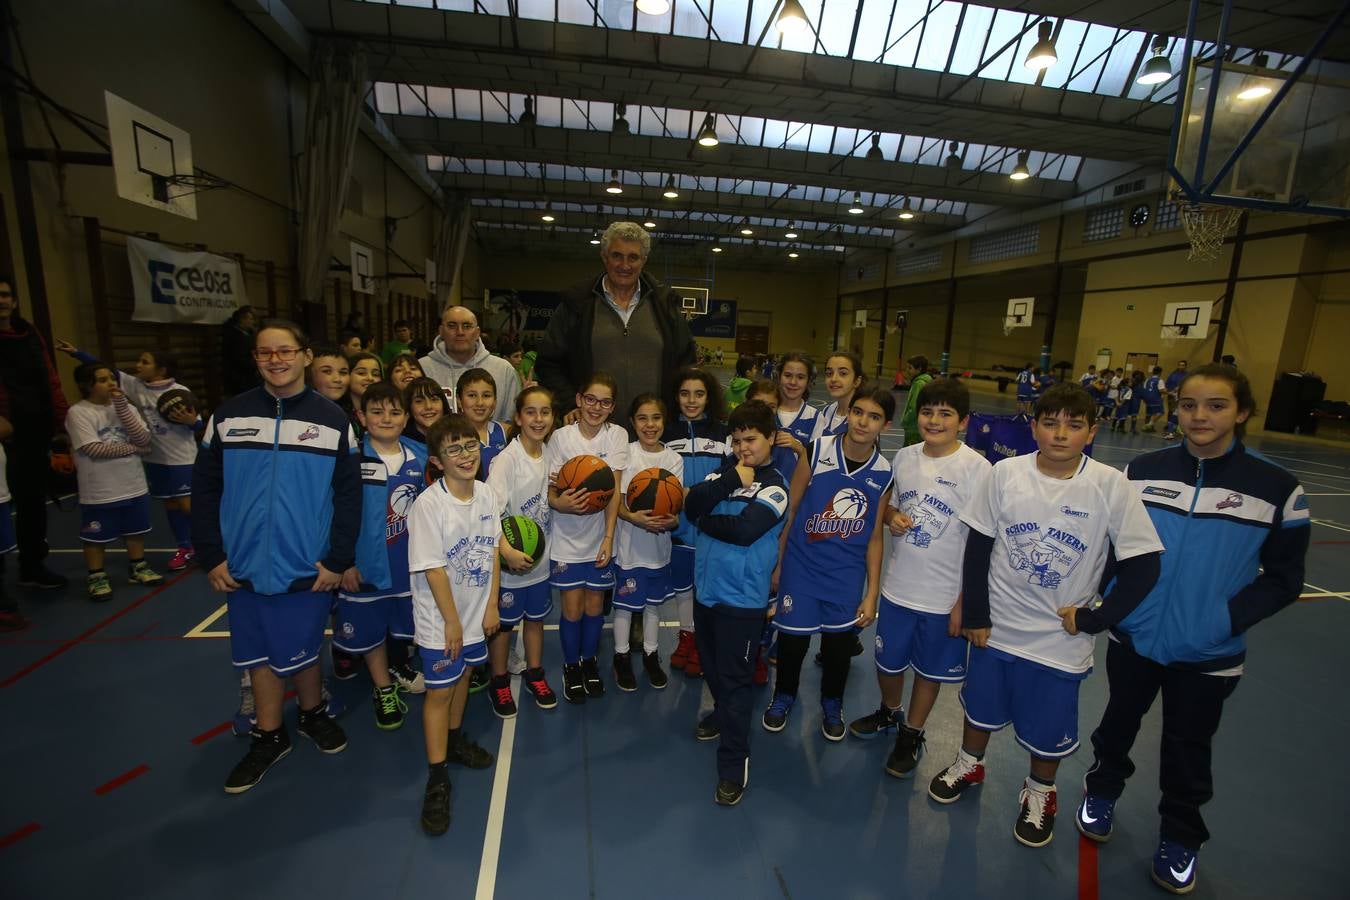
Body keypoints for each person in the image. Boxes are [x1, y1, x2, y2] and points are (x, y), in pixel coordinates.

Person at [1075, 364, 1309, 894]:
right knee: (1116, 725)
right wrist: (1109, 605)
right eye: (1188, 405)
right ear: (1176, 409)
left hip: (1208, 652)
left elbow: (1284, 579)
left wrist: (1223, 621)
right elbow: (1115, 548)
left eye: (1216, 405)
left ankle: (1181, 835)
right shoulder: (1142, 470)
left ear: (1242, 412)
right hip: (1133, 636)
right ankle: (1101, 791)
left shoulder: (1276, 487)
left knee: (1187, 747)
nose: (1199, 416)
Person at [927, 383, 1163, 849]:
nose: (1060, 435)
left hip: (1060, 638)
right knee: (979, 707)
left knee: (1048, 729)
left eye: (1074, 426)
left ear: (1091, 431)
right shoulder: (1004, 473)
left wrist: (1097, 618)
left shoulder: (1111, 485)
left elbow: (1144, 563)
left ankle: (1040, 793)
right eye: (1050, 423)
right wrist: (976, 612)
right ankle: (970, 764)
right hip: (996, 627)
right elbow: (979, 546)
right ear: (1033, 426)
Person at [192, 319, 361, 794]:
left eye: (285, 350)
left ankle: (311, 714)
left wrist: (336, 558)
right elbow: (204, 490)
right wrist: (212, 555)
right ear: (256, 359)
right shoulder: (227, 417)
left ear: (305, 355)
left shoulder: (333, 421)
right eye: (266, 353)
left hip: (306, 564)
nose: (276, 360)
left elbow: (349, 497)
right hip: (243, 566)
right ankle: (270, 735)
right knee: (259, 655)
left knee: (304, 645)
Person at [846, 379, 991, 783]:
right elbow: (888, 505)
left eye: (945, 414)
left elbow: (982, 543)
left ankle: (913, 731)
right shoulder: (905, 457)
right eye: (928, 412)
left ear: (962, 422)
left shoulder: (978, 470)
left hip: (944, 597)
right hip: (898, 587)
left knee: (929, 672)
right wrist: (892, 516)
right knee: (887, 662)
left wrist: (966, 601)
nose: (934, 420)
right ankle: (890, 711)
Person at [765, 385, 894, 741]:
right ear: (848, 413)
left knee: (838, 649)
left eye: (874, 416)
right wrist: (777, 560)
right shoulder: (818, 449)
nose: (863, 422)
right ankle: (784, 696)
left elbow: (875, 537)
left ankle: (832, 703)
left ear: (885, 424)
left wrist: (871, 594)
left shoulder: (883, 472)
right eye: (858, 412)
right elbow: (790, 506)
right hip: (802, 566)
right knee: (792, 642)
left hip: (845, 574)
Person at [685, 400, 790, 806]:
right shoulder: (723, 472)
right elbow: (690, 504)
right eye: (738, 439)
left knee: (735, 681)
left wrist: (706, 515)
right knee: (712, 669)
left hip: (742, 601)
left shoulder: (775, 486)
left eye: (752, 440)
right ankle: (722, 714)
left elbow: (745, 531)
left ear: (770, 440)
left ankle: (734, 764)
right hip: (706, 590)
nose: (744, 447)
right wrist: (727, 483)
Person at [55, 343, 201, 572]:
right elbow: (107, 371)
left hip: (182, 458)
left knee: (189, 506)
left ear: (161, 369)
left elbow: (198, 423)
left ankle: (211, 545)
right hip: (155, 461)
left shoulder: (179, 391)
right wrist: (77, 354)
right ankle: (185, 547)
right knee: (171, 505)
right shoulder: (135, 386)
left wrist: (191, 422)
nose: (138, 365)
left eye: (145, 361)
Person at [333, 381, 428, 732]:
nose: (386, 418)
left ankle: (400, 669)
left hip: (410, 567)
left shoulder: (421, 455)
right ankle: (383, 689)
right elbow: (333, 514)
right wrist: (342, 561)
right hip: (365, 567)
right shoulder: (350, 460)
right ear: (361, 416)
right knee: (371, 633)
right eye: (377, 411)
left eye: (394, 411)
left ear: (406, 417)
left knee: (405, 626)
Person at [534, 222, 696, 420]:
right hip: (592, 433)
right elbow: (548, 363)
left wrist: (672, 411)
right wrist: (569, 403)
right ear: (604, 257)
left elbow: (686, 364)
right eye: (617, 255)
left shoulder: (665, 307)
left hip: (653, 435)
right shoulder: (576, 305)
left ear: (644, 260)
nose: (625, 265)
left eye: (633, 257)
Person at [547, 372, 627, 703]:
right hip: (566, 536)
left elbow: (614, 491)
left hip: (599, 536)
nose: (596, 407)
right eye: (590, 399)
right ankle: (570, 666)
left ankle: (589, 661)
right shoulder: (560, 438)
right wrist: (561, 503)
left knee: (595, 606)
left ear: (612, 407)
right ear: (579, 400)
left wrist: (608, 538)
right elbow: (551, 492)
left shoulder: (618, 436)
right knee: (572, 608)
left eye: (605, 402)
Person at [484, 385, 558, 715]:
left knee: (536, 620)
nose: (538, 419)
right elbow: (488, 513)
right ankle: (499, 681)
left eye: (545, 412)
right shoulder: (506, 460)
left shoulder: (551, 455)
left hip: (539, 561)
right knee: (504, 626)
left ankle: (535, 672)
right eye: (531, 412)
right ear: (518, 417)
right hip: (511, 562)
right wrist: (507, 551)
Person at [63, 362, 164, 601]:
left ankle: (137, 566)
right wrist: (134, 449)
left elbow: (143, 437)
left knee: (135, 530)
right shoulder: (79, 412)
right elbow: (93, 448)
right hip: (100, 488)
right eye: (102, 380)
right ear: (87, 385)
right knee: (96, 536)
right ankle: (96, 575)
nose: (111, 383)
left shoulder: (126, 407)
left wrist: (121, 406)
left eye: (111, 378)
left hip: (133, 483)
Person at [0, 273, 69, 593]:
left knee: (32, 500)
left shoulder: (28, 332)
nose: (1, 300)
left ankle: (32, 564)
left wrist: (60, 417)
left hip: (33, 428)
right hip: (5, 433)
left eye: (5, 295)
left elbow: (49, 375)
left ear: (13, 300)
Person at [612, 393, 682, 692]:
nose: (649, 424)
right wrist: (634, 518)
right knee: (626, 608)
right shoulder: (625, 454)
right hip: (629, 546)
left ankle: (652, 655)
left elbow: (675, 506)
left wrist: (672, 520)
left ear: (664, 421)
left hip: (659, 548)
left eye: (655, 418)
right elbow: (617, 500)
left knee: (654, 607)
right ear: (632, 422)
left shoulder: (674, 459)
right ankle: (621, 657)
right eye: (642, 418)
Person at [663, 367, 730, 679]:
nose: (691, 400)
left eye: (699, 394)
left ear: (709, 397)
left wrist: (702, 493)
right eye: (685, 393)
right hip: (676, 524)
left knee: (706, 586)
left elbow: (731, 478)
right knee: (683, 586)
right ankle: (687, 634)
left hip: (710, 524)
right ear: (675, 397)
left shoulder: (722, 433)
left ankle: (704, 641)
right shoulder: (665, 433)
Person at [419, 305, 520, 422]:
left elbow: (510, 422)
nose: (460, 332)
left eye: (467, 326)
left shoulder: (503, 369)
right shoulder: (422, 368)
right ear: (441, 331)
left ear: (477, 333)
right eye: (452, 326)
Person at [810, 351, 866, 441]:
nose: (834, 379)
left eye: (843, 373)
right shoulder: (827, 411)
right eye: (829, 373)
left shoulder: (863, 418)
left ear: (857, 381)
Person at [774, 352, 819, 446]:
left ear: (808, 381)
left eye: (800, 377)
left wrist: (797, 447)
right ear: (779, 376)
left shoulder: (816, 418)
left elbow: (815, 458)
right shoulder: (765, 410)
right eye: (787, 375)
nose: (793, 382)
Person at [220, 305, 259, 397]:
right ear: (242, 319)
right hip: (239, 379)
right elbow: (240, 359)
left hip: (245, 377)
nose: (252, 322)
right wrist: (256, 364)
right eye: (250, 319)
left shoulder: (246, 334)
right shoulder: (235, 336)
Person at [899, 355, 933, 447]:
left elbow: (914, 406)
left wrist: (905, 420)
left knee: (910, 453)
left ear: (919, 369)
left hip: (913, 427)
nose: (907, 370)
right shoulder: (925, 382)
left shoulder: (919, 384)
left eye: (910, 368)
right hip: (920, 425)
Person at [1162, 359, 1188, 440]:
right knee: (1173, 413)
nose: (1181, 366)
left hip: (1183, 398)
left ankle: (1176, 430)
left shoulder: (1187, 375)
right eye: (1180, 365)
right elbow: (1167, 386)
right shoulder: (1173, 374)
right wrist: (1171, 393)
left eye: (1183, 365)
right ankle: (1171, 431)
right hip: (1173, 397)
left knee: (1178, 413)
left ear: (1185, 366)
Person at [1139, 365, 1165, 432]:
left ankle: (1148, 427)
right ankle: (1149, 425)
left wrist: (1144, 398)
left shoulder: (1147, 380)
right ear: (1160, 373)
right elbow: (1161, 390)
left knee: (1149, 413)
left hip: (1148, 398)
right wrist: (1169, 392)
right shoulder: (1159, 380)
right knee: (1161, 412)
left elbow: (1144, 389)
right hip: (1155, 398)